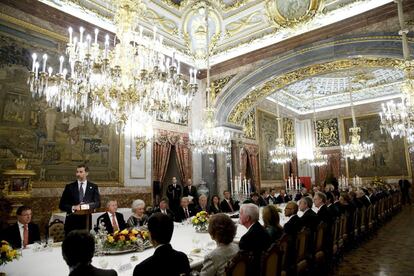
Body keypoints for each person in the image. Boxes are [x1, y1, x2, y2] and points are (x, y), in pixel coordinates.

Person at [59, 164, 101, 234]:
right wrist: (74, 207)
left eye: (81, 172)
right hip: (72, 221)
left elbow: (98, 203)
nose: (78, 174)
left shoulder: (93, 187)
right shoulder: (69, 187)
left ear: (87, 173)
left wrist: (85, 206)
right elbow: (61, 205)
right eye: (77, 172)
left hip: (86, 221)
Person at [239, 203, 271, 275]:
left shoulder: (246, 238)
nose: (239, 216)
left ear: (247, 218)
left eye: (240, 213)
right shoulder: (261, 228)